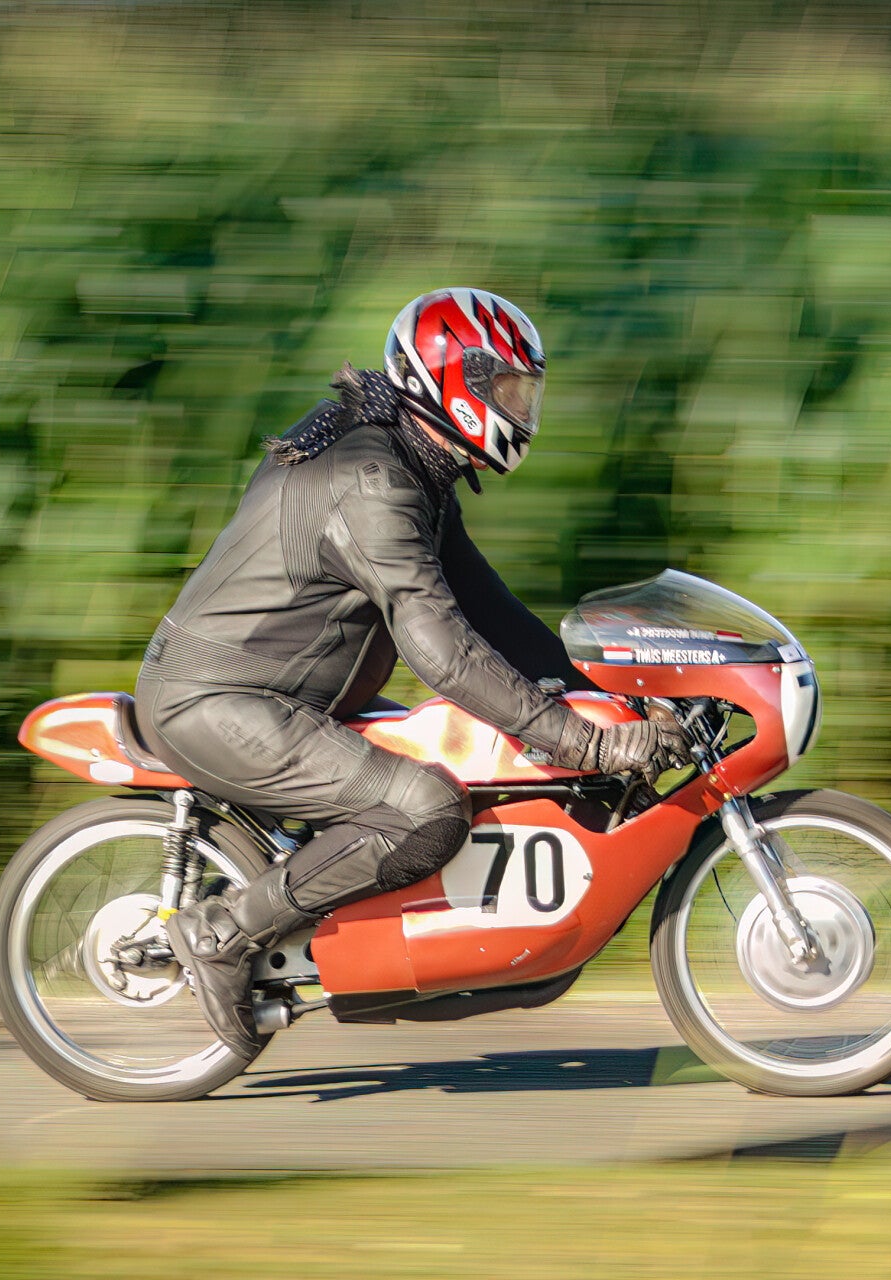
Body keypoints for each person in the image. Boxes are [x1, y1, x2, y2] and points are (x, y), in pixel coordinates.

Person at [134, 288, 690, 1055]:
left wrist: (614, 700)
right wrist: (585, 743)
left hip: (287, 698)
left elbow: (493, 616)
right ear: (455, 385)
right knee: (423, 809)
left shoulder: (409, 465)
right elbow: (443, 651)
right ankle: (223, 931)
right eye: (507, 391)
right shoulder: (373, 484)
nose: (521, 410)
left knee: (464, 767)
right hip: (219, 701)